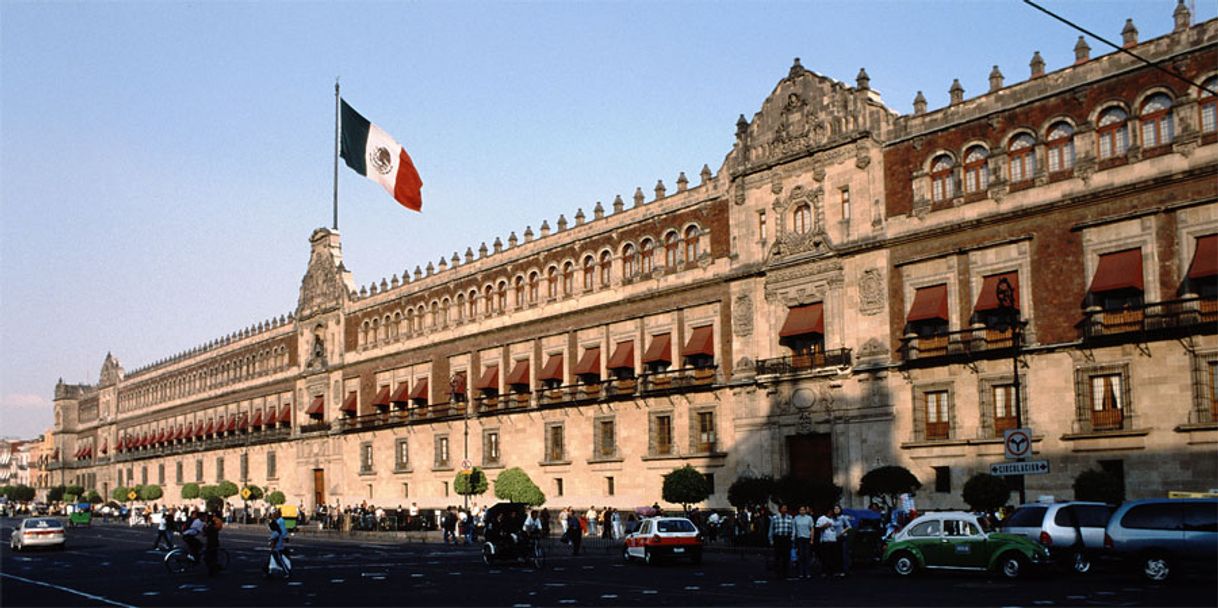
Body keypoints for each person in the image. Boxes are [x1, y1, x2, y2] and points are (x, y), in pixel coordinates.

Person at [768, 503, 795, 580]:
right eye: (783, 508)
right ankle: (777, 573)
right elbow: (771, 529)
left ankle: (785, 573)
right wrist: (771, 540)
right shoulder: (775, 518)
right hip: (778, 538)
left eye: (785, 508)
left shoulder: (790, 518)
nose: (784, 510)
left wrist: (792, 538)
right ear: (780, 509)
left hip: (786, 538)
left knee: (786, 556)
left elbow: (793, 529)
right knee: (777, 556)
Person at [792, 505, 815, 579]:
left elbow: (812, 528)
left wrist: (812, 539)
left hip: (807, 538)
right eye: (801, 510)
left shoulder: (809, 518)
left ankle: (807, 572)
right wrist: (793, 537)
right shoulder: (796, 518)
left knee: (807, 555)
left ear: (806, 510)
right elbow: (794, 529)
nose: (802, 511)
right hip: (799, 538)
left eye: (803, 510)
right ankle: (801, 572)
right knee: (801, 555)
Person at [815, 507, 839, 577]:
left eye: (831, 512)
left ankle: (833, 571)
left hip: (834, 539)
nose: (830, 513)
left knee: (833, 557)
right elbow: (817, 528)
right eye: (829, 512)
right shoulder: (821, 518)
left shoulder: (834, 519)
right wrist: (825, 526)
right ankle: (824, 571)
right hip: (825, 540)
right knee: (825, 557)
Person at [267, 507, 290, 577]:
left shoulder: (280, 521)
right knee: (274, 559)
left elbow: (280, 532)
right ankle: (269, 572)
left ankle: (287, 572)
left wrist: (284, 538)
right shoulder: (277, 522)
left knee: (279, 559)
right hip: (277, 544)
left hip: (277, 546)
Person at [832, 505, 853, 577]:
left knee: (843, 554)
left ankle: (844, 570)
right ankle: (837, 570)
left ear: (840, 510)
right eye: (835, 508)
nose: (836, 510)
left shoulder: (843, 517)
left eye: (837, 508)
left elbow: (849, 526)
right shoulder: (832, 518)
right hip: (834, 538)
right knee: (836, 554)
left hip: (842, 537)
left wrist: (842, 532)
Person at [204, 509, 224, 576]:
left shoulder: (216, 523)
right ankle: (214, 568)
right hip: (211, 542)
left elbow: (207, 531)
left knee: (211, 557)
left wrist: (208, 526)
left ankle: (214, 569)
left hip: (213, 542)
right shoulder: (213, 523)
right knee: (211, 557)